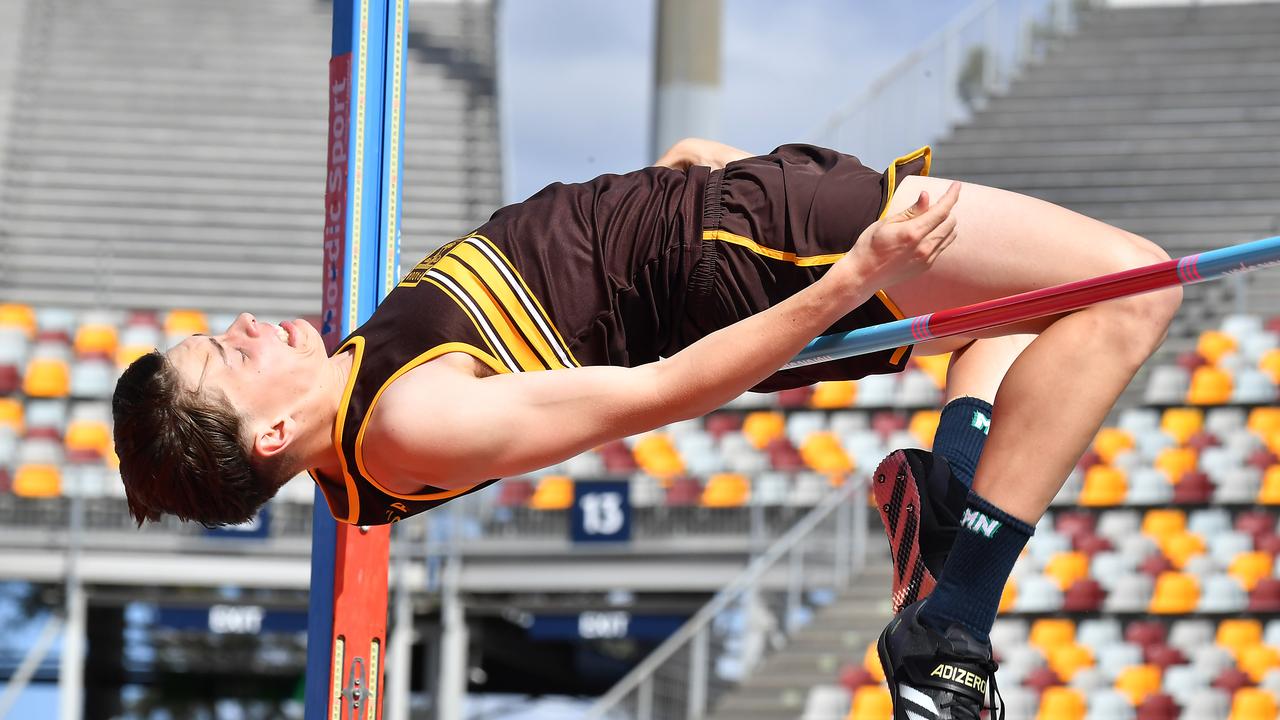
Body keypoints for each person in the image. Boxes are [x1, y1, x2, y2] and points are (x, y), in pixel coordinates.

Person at [112, 138, 1180, 718]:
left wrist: (677, 174)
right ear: (267, 437)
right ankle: (947, 626)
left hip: (713, 229)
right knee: (1133, 290)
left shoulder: (353, 415)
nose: (245, 328)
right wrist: (852, 273)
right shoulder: (405, 419)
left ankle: (939, 504)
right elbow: (660, 391)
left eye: (221, 332)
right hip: (744, 250)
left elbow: (564, 296)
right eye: (227, 357)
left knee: (1020, 323)